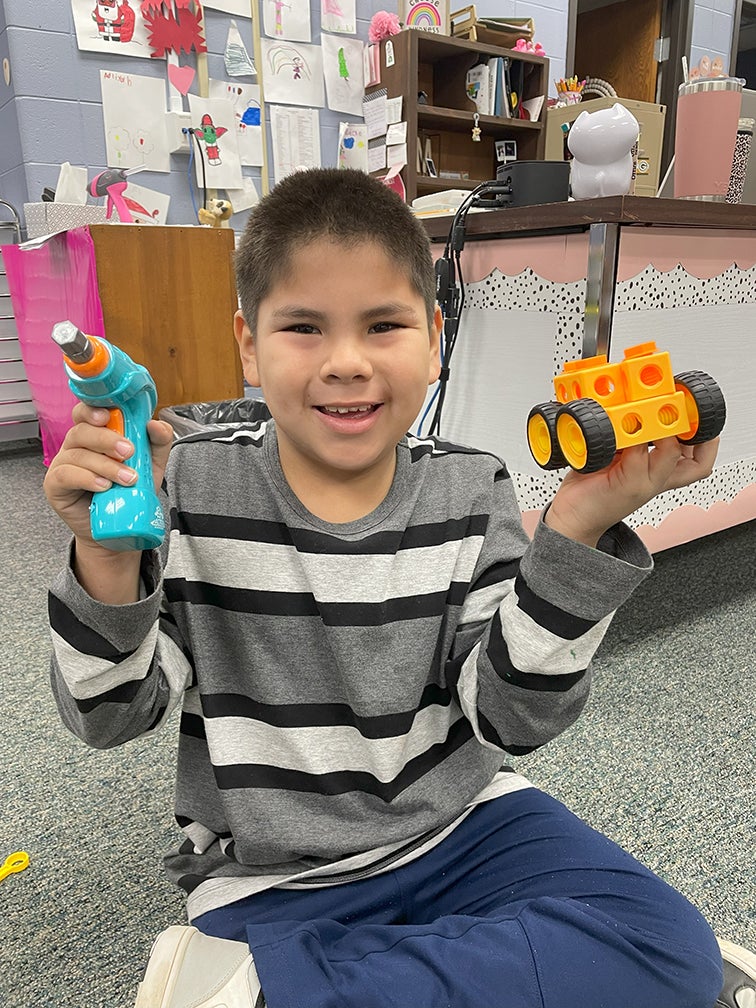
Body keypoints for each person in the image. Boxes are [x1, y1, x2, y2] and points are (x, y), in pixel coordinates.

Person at [43, 168, 754, 1008]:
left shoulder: (469, 488)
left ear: (433, 338)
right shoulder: (189, 488)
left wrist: (576, 530)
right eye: (303, 327)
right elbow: (110, 714)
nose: (346, 363)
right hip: (272, 875)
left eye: (383, 325)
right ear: (247, 342)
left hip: (461, 827)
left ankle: (316, 983)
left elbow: (512, 719)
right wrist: (107, 558)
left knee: (672, 947)